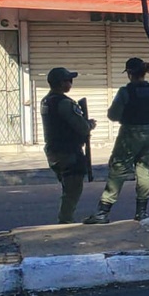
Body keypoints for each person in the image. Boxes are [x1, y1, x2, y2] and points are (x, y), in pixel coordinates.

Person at [84, 58, 149, 224]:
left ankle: (102, 212)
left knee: (118, 169)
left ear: (129, 74)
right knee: (144, 172)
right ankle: (141, 213)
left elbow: (112, 115)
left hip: (130, 133)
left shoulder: (125, 91)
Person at [41, 67, 96, 224]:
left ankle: (65, 220)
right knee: (72, 190)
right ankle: (65, 222)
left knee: (68, 188)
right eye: (68, 81)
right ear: (60, 83)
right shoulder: (64, 103)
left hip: (55, 150)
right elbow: (82, 127)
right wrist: (90, 124)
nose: (70, 84)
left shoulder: (47, 100)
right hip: (68, 152)